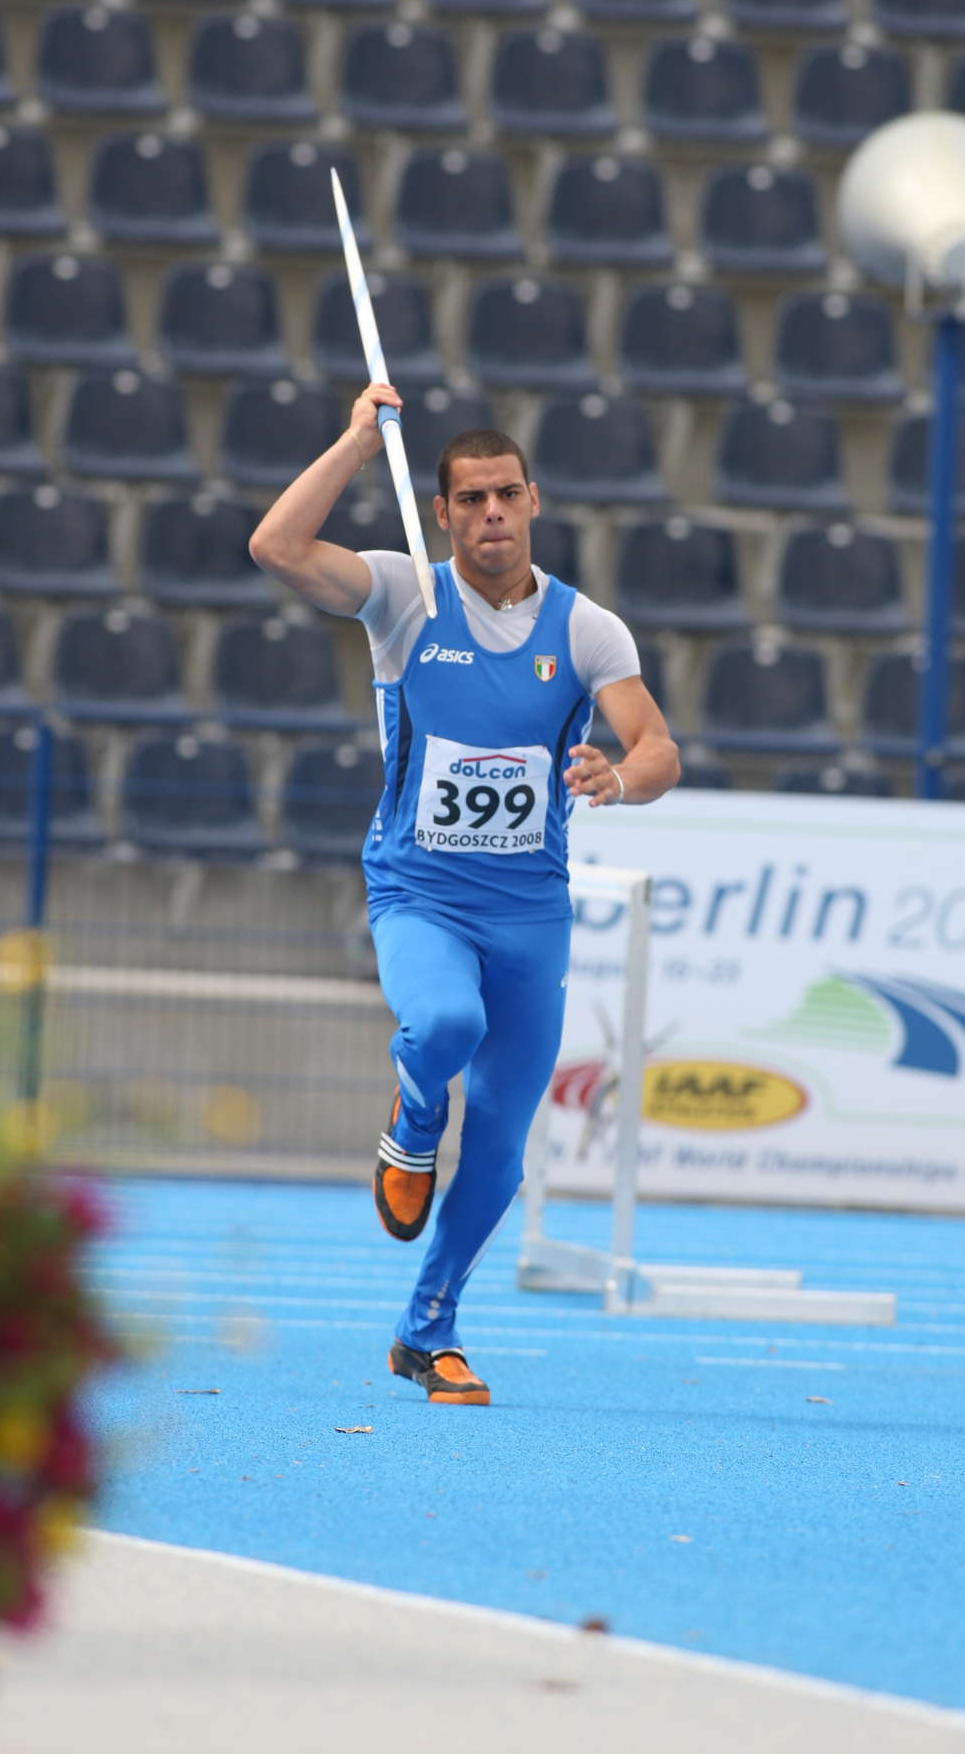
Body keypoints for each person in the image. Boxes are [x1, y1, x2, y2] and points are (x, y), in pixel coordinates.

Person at [249, 381, 680, 1405]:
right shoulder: (406, 597)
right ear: (441, 512)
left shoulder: (587, 630)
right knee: (443, 1022)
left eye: (507, 495)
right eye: (472, 499)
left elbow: (659, 747)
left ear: (533, 502)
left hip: (530, 915)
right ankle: (410, 1124)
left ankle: (428, 1329)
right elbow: (276, 547)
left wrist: (618, 779)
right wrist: (356, 445)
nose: (492, 513)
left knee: (497, 1153)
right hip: (421, 894)